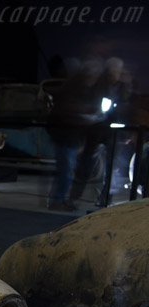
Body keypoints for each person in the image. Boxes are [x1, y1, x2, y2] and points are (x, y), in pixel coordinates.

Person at [68, 57, 132, 206]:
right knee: (86, 164)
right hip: (97, 131)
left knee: (111, 168)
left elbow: (126, 108)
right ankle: (74, 197)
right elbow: (94, 105)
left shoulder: (123, 88)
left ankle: (104, 198)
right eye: (113, 71)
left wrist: (126, 133)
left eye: (117, 71)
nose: (116, 74)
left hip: (114, 133)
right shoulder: (99, 85)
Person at [46, 59, 104, 211]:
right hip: (65, 136)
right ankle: (57, 200)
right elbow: (69, 111)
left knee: (66, 170)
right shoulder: (74, 88)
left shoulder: (79, 88)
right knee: (65, 170)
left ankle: (59, 199)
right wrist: (90, 117)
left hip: (69, 137)